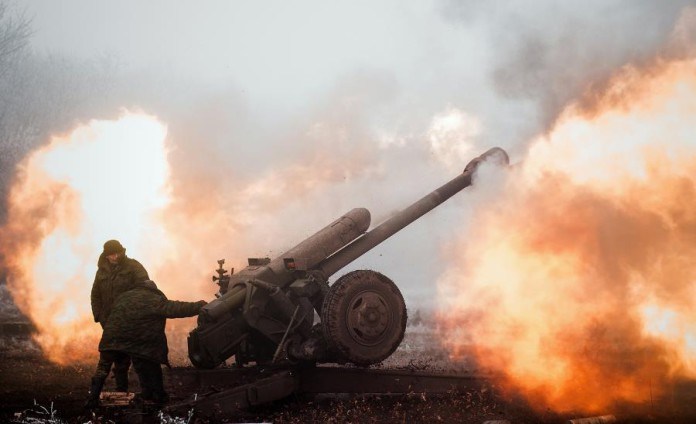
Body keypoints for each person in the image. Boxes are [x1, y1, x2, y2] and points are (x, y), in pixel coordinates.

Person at [98, 279, 206, 404]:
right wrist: (199, 306)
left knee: (135, 367)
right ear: (153, 290)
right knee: (152, 367)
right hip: (143, 343)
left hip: (119, 341)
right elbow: (175, 308)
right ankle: (158, 397)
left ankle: (142, 395)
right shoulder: (152, 298)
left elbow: (106, 313)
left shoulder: (124, 297)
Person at [85, 240, 149, 408]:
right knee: (108, 359)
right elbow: (95, 295)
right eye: (112, 254)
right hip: (110, 324)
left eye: (118, 253)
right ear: (106, 255)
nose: (116, 256)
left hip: (131, 322)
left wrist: (137, 315)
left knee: (137, 359)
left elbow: (146, 290)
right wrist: (98, 315)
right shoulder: (101, 271)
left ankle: (147, 394)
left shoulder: (133, 267)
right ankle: (99, 397)